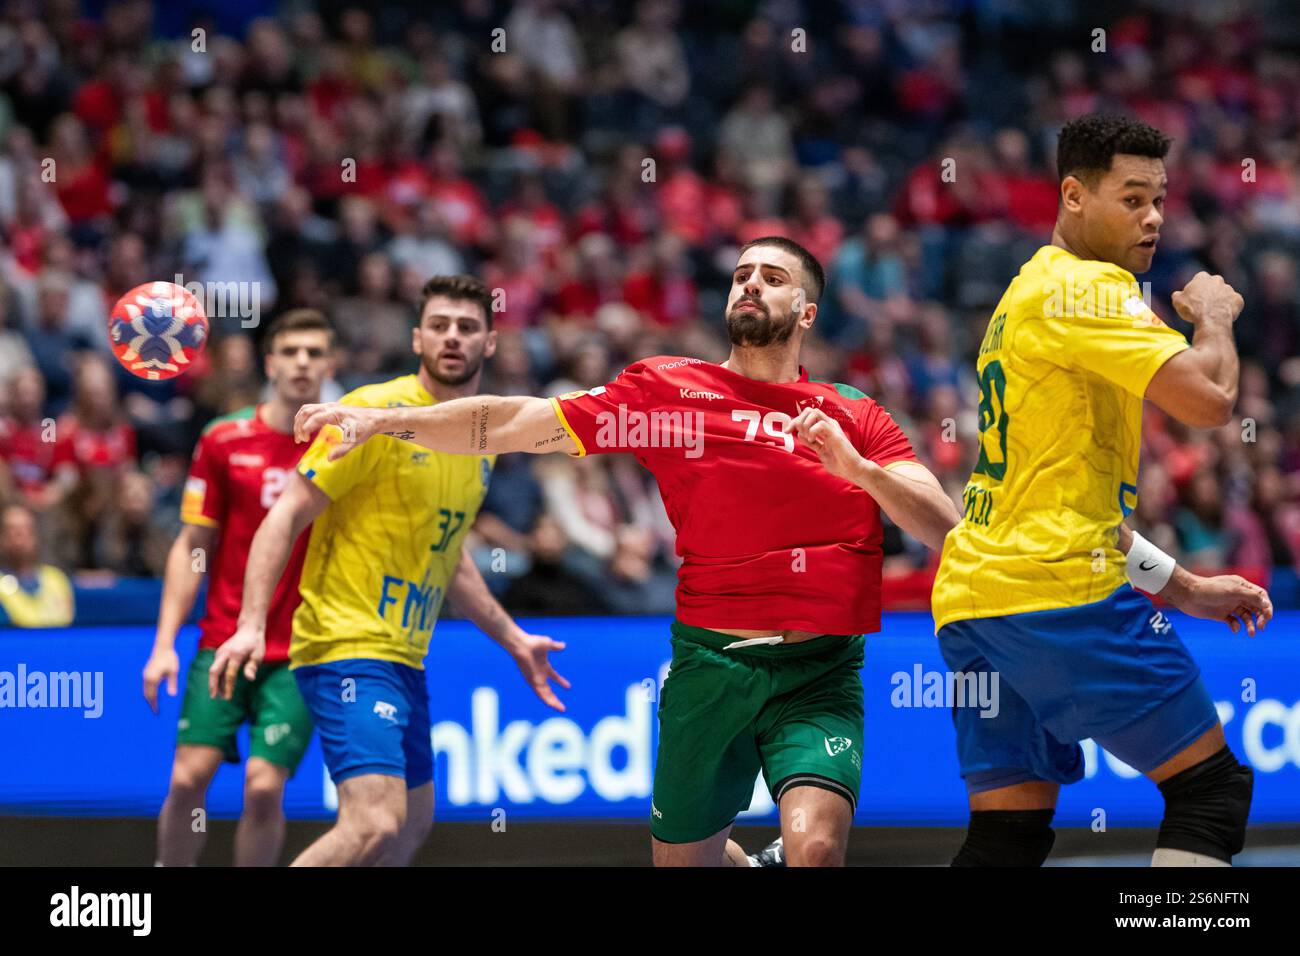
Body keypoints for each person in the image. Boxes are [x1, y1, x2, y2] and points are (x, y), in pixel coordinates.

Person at [291, 238, 961, 866]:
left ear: (807, 312)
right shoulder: (667, 396)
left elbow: (943, 528)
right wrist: (381, 422)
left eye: (773, 278)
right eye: (741, 276)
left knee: (816, 850)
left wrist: (858, 470)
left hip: (821, 670)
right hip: (712, 665)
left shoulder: (851, 412)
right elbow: (517, 423)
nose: (750, 284)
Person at [930, 114, 1273, 867]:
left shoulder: (1027, 289)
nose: (1152, 216)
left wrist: (1179, 587)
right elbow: (1211, 400)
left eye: (1159, 198)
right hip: (1059, 595)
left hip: (973, 603)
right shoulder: (1087, 290)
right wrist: (1215, 317)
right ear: (1074, 195)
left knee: (1006, 836)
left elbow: (1062, 498)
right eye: (1131, 198)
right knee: (1209, 791)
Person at [211, 275, 568, 867]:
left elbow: (447, 556)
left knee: (411, 822)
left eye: (467, 327)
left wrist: (512, 638)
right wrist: (251, 623)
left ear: (490, 343)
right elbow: (284, 516)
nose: (452, 337)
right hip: (345, 643)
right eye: (439, 326)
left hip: (404, 655)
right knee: (374, 822)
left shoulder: (480, 437)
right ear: (416, 338)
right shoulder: (371, 413)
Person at [143, 310, 336, 866]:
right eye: (291, 351)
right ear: (269, 362)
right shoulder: (223, 439)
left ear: (330, 364)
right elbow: (191, 545)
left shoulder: (341, 444)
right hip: (224, 639)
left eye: (315, 352)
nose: (303, 362)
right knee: (187, 779)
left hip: (302, 649)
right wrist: (163, 645)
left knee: (262, 787)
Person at [0, 502, 74, 627]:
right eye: (11, 530)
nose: (19, 537)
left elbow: (65, 622)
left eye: (26, 530)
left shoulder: (56, 578)